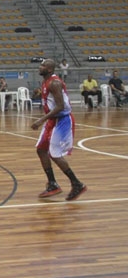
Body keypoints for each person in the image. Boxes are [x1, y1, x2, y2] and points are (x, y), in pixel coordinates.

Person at [31, 59, 86, 201]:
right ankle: (53, 184)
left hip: (62, 121)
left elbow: (61, 106)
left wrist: (41, 119)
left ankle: (77, 183)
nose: (40, 67)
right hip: (52, 120)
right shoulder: (45, 81)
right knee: (41, 149)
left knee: (54, 154)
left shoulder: (54, 83)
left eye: (43, 65)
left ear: (49, 69)